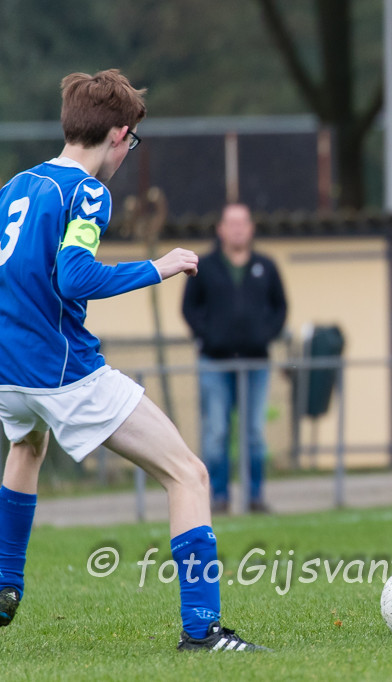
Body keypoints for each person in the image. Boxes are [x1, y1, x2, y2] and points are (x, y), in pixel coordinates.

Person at [0, 70, 265, 651]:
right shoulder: (87, 192)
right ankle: (202, 630)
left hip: (8, 374)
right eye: (132, 141)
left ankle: (3, 583)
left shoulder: (16, 187)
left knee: (27, 447)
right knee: (188, 474)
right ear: (119, 135)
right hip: (62, 371)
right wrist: (158, 267)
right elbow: (74, 278)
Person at [182, 203, 287, 515]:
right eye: (232, 223)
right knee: (216, 432)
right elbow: (189, 308)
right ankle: (218, 497)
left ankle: (255, 496)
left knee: (254, 433)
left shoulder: (266, 266)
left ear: (251, 228)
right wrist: (209, 336)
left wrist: (264, 336)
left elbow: (280, 308)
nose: (238, 229)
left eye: (243, 223)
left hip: (256, 363)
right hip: (215, 362)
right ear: (221, 229)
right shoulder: (204, 266)